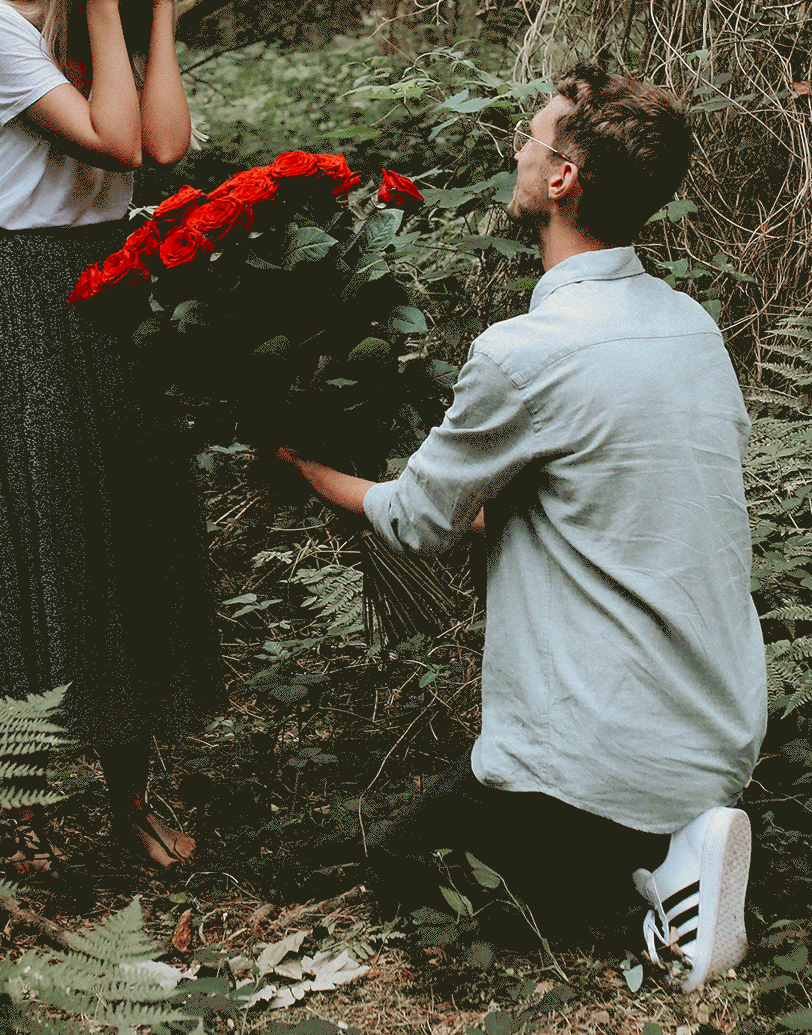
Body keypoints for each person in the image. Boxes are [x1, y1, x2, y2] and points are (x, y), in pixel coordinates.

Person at [275, 65, 767, 988]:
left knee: (403, 863)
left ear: (562, 179)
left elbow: (415, 522)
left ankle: (656, 879)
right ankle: (674, 833)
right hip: (718, 733)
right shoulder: (690, 327)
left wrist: (305, 469)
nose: (517, 149)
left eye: (529, 138)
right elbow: (595, 507)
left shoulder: (526, 352)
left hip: (597, 752)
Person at [0, 0, 222, 870]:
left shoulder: (112, 23)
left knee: (128, 525)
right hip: (20, 291)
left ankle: (129, 797)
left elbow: (165, 148)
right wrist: (106, 5)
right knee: (42, 517)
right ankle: (9, 789)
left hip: (110, 283)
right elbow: (114, 146)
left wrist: (160, 9)